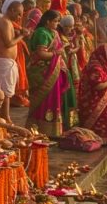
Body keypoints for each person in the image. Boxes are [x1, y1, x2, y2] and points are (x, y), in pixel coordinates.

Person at [26, 10, 76, 138]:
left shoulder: (54, 33)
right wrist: (56, 53)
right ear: (47, 21)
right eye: (55, 21)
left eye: (58, 21)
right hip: (43, 72)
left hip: (55, 69)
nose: (57, 24)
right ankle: (41, 128)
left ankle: (57, 128)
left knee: (57, 98)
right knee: (46, 99)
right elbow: (41, 54)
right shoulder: (41, 33)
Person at [77, 44, 107, 146]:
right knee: (102, 120)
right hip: (95, 103)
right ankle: (99, 139)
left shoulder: (102, 65)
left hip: (102, 101)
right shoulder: (95, 67)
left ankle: (104, 139)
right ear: (103, 55)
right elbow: (98, 86)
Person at [0, 0, 27, 121]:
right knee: (5, 92)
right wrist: (22, 35)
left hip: (8, 62)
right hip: (5, 61)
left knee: (6, 91)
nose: (19, 17)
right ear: (11, 10)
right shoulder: (5, 22)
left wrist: (19, 33)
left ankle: (4, 116)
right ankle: (5, 117)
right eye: (18, 14)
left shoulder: (8, 22)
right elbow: (8, 43)